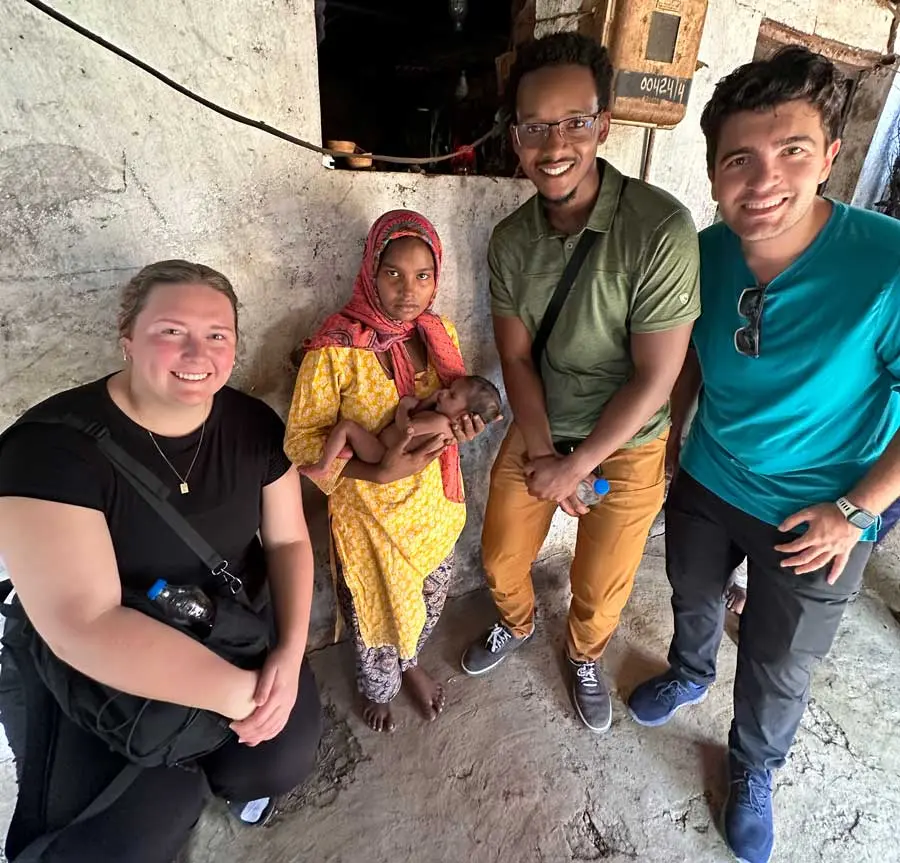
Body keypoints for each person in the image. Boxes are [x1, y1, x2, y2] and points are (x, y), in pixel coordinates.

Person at [626, 47, 900, 863]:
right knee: (691, 592)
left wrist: (857, 511)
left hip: (821, 510)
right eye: (738, 159)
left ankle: (753, 765)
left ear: (831, 156)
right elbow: (691, 352)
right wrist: (673, 434)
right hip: (710, 477)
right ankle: (690, 670)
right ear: (714, 171)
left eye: (792, 151)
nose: (763, 180)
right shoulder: (705, 252)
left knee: (780, 663)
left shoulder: (886, 263)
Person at [0, 261, 322, 863]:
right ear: (127, 337)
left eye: (217, 334)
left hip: (225, 626)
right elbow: (84, 622)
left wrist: (288, 652)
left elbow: (288, 543)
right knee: (128, 837)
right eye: (171, 331)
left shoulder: (251, 424)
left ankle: (228, 777)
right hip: (109, 660)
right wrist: (238, 695)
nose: (197, 353)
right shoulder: (47, 450)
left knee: (278, 758)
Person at [460, 32, 701, 735]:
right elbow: (516, 359)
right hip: (541, 427)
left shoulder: (660, 227)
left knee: (600, 585)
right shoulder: (510, 240)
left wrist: (580, 464)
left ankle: (585, 654)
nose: (554, 144)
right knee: (501, 555)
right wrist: (545, 456)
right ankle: (517, 622)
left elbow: (658, 374)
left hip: (629, 441)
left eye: (573, 122)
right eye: (535, 127)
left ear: (604, 124)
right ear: (515, 137)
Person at [285, 210, 491, 733]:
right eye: (393, 273)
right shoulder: (334, 349)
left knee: (429, 595)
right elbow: (301, 443)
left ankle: (412, 661)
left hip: (432, 508)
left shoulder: (438, 333)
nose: (408, 291)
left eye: (423, 276)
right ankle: (380, 689)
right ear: (370, 272)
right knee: (374, 611)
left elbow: (455, 410)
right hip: (369, 516)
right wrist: (376, 474)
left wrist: (462, 431)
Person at [303, 374, 501, 480]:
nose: (443, 392)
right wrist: (428, 400)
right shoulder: (441, 421)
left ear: (464, 416)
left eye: (452, 395)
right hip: (382, 452)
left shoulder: (441, 424)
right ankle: (346, 451)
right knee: (347, 435)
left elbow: (407, 428)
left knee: (346, 426)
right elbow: (420, 414)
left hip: (381, 453)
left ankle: (324, 466)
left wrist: (402, 407)